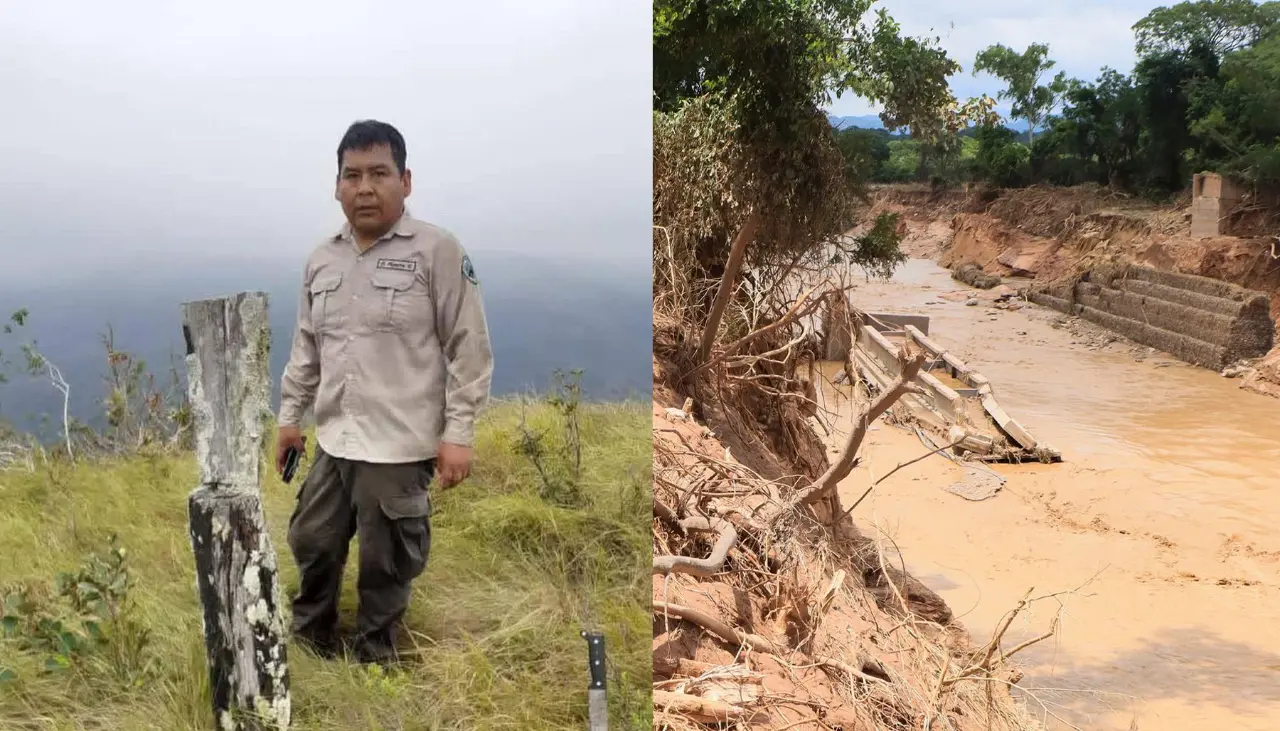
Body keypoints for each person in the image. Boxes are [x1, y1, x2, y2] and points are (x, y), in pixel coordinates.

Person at [275, 119, 494, 664]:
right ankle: (311, 644)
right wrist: (288, 419)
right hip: (334, 439)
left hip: (398, 446)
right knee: (313, 542)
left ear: (406, 180)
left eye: (379, 173)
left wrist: (458, 435)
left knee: (387, 561)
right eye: (352, 175)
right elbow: (307, 347)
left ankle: (376, 658)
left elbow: (469, 349)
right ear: (336, 185)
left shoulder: (437, 251)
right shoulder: (322, 259)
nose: (364, 187)